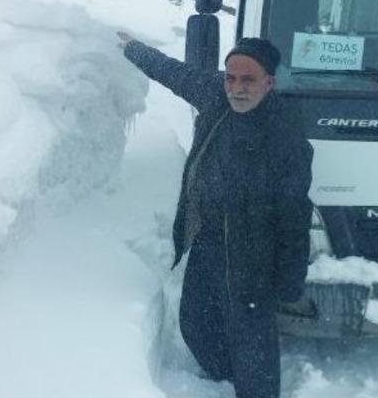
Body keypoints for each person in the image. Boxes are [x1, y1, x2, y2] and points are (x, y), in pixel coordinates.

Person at [117, 32, 313, 398]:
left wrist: (289, 280)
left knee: (254, 351)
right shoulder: (215, 95)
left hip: (254, 260)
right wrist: (132, 48)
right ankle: (223, 375)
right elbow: (172, 72)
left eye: (248, 79)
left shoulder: (286, 138)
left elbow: (294, 215)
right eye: (231, 77)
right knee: (195, 326)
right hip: (207, 244)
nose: (236, 88)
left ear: (269, 83)